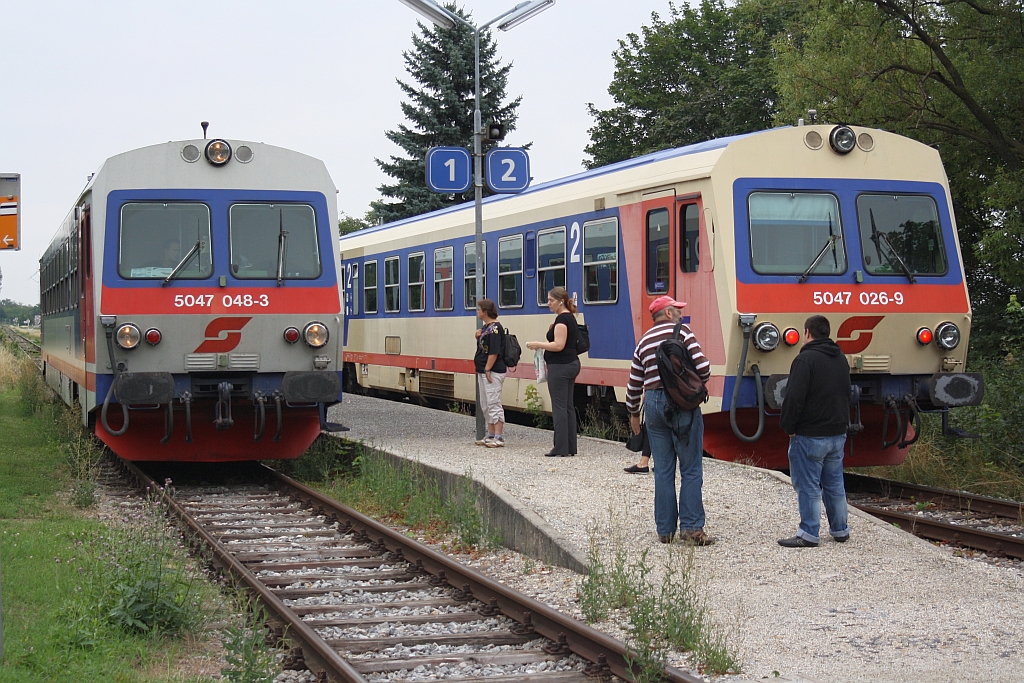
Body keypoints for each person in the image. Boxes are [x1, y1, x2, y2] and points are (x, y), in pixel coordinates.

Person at [626, 295, 714, 545]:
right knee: (691, 469)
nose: (679, 313)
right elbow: (704, 369)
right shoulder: (682, 333)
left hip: (652, 404)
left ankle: (665, 530)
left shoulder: (643, 341)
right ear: (666, 313)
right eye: (676, 309)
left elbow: (634, 383)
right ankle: (692, 528)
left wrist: (633, 413)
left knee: (663, 470)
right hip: (682, 405)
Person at [777, 314, 852, 548]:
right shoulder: (840, 358)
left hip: (810, 434)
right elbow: (846, 393)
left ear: (808, 333)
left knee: (808, 485)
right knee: (834, 483)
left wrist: (789, 427)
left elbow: (794, 398)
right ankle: (840, 530)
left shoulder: (805, 359)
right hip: (837, 433)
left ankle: (809, 533)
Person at [525, 287, 580, 457]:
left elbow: (558, 345)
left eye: (551, 300)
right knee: (568, 407)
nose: (548, 303)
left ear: (561, 301)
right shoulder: (569, 318)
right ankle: (570, 447)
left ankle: (560, 447)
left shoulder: (562, 320)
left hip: (560, 367)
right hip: (571, 364)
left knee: (559, 408)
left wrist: (538, 344)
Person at [473, 299, 506, 448]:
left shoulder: (495, 329)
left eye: (479, 310)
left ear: (485, 312)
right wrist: (478, 336)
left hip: (492, 371)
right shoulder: (487, 328)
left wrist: (487, 368)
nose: (477, 312)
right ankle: (490, 434)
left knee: (493, 401)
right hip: (483, 370)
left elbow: (494, 352)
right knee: (485, 403)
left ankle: (499, 437)